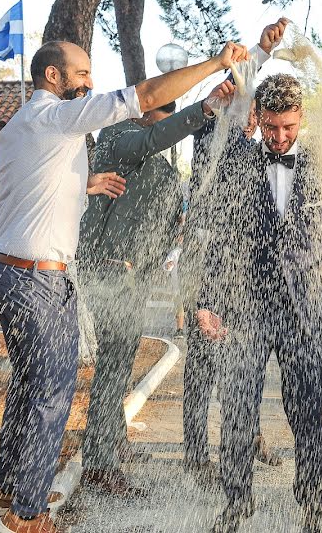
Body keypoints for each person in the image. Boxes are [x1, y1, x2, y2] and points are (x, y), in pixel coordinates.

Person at [0, 38, 249, 533]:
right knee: (51, 391)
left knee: (28, 383)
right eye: (81, 73)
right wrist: (217, 65)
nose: (90, 82)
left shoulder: (26, 125)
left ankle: (10, 486)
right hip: (36, 276)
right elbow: (143, 95)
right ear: (54, 78)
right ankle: (27, 512)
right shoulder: (58, 116)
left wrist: (86, 185)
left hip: (14, 269)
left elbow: (27, 186)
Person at [199, 74, 322, 533]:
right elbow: (221, 236)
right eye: (271, 127)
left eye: (288, 128)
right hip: (247, 307)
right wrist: (208, 300)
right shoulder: (235, 162)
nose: (279, 138)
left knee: (307, 413)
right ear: (258, 117)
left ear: (300, 119)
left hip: (308, 309)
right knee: (238, 409)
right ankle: (237, 503)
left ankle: (316, 510)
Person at [76, 79, 236, 496]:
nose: (167, 134)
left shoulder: (163, 170)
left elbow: (164, 225)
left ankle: (111, 443)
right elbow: (153, 138)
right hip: (105, 273)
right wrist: (204, 108)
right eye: (164, 122)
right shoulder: (118, 137)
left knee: (119, 365)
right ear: (146, 115)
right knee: (112, 368)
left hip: (133, 281)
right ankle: (99, 464)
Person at [181, 21, 289, 489]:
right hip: (207, 264)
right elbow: (231, 93)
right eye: (242, 108)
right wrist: (260, 52)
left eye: (253, 114)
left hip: (245, 272)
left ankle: (250, 436)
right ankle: (192, 451)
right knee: (202, 366)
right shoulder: (209, 139)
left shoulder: (255, 148)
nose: (248, 118)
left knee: (242, 363)